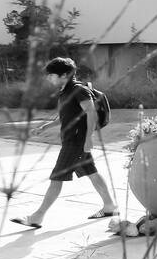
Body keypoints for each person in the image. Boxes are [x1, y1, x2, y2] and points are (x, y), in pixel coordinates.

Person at [11, 57, 118, 228]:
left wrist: (89, 138)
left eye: (52, 75)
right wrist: (45, 126)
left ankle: (37, 217)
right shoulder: (66, 92)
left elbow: (91, 114)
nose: (49, 78)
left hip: (75, 143)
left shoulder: (78, 91)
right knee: (92, 173)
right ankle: (109, 206)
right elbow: (65, 116)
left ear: (65, 75)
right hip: (73, 141)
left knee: (57, 178)